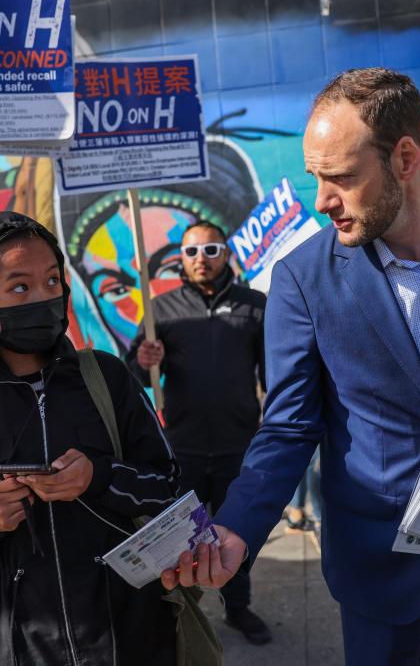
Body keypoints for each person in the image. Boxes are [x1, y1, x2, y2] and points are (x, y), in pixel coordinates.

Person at [162, 67, 420, 665]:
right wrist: (238, 526)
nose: (322, 201)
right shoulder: (301, 279)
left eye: (340, 177)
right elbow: (289, 425)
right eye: (316, 178)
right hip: (379, 557)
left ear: (405, 158)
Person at [0, 211, 181, 665]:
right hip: (23, 646)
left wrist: (99, 477)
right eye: (20, 287)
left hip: (132, 634)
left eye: (52, 281)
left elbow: (170, 486)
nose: (42, 297)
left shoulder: (107, 378)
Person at [127, 221, 271, 645]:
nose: (201, 259)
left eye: (210, 249)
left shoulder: (254, 305)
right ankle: (176, 611)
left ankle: (238, 607)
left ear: (225, 253)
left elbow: (275, 376)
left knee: (235, 537)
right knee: (176, 540)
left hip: (238, 446)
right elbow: (132, 376)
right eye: (192, 252)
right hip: (183, 448)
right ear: (180, 259)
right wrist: (143, 358)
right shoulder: (161, 311)